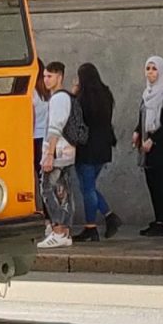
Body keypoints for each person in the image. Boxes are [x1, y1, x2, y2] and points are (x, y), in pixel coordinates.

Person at [71, 63, 121, 243]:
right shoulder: (106, 94)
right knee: (89, 187)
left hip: (86, 148)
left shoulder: (82, 98)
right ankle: (109, 216)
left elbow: (76, 120)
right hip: (104, 146)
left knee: (87, 188)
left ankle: (91, 227)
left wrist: (73, 94)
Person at [133, 55, 163, 237]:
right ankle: (159, 220)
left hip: (161, 146)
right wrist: (137, 131)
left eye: (154, 69)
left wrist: (153, 139)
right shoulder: (147, 93)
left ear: (162, 71)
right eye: (148, 69)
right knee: (152, 183)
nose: (150, 72)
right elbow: (142, 117)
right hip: (147, 146)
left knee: (162, 184)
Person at [38, 62, 77, 248]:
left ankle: (58, 230)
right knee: (64, 192)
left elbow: (55, 128)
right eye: (45, 76)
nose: (46, 80)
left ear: (59, 77)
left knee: (47, 189)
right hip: (66, 152)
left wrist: (49, 154)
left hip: (57, 153)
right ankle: (65, 233)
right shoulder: (65, 97)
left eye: (50, 76)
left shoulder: (58, 99)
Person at [32, 58, 51, 197]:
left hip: (35, 137)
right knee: (44, 176)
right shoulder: (47, 92)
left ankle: (42, 205)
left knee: (36, 174)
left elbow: (31, 117)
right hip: (47, 137)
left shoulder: (32, 92)